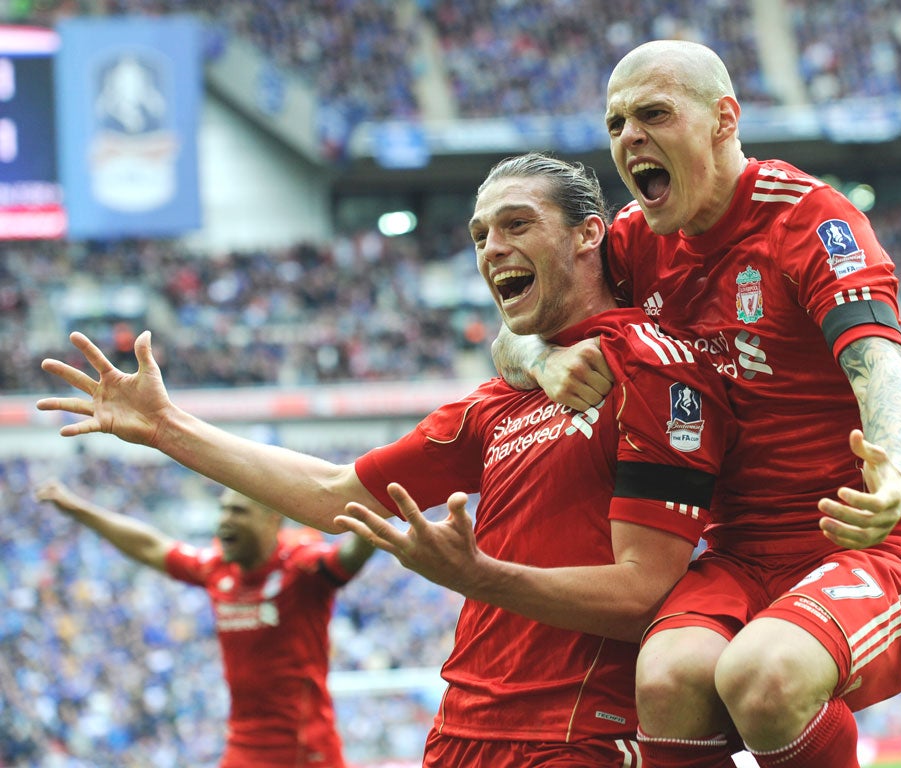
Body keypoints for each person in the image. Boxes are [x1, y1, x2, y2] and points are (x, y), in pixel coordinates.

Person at [37, 152, 737, 767]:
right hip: (460, 732)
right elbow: (335, 494)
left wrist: (480, 577)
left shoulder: (650, 370)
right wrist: (169, 428)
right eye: (479, 235)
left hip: (576, 736)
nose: (492, 248)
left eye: (516, 225)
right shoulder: (494, 403)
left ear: (589, 234)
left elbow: (645, 596)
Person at [492, 41, 901, 768]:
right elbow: (514, 331)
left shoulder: (808, 219)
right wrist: (543, 357)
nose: (629, 138)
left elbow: (880, 361)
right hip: (739, 551)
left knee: (762, 675)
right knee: (668, 678)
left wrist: (894, 469)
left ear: (722, 120)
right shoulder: (633, 242)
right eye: (615, 124)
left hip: (872, 540)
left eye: (653, 114)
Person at [34, 479, 375, 768]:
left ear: (272, 520)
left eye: (238, 511)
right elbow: (151, 546)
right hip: (242, 747)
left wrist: (376, 510)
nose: (224, 520)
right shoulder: (216, 568)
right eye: (223, 510)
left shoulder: (300, 570)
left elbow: (347, 557)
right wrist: (78, 509)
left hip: (305, 751)